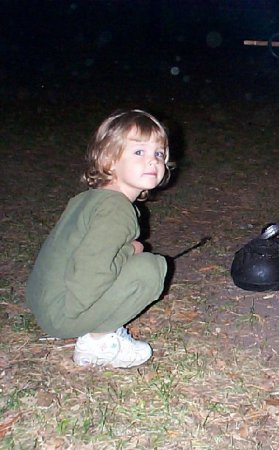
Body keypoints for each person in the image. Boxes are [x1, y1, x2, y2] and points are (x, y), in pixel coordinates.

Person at [26, 109, 172, 368]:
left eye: (158, 153)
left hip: (46, 302)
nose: (152, 161)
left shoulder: (88, 199)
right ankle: (97, 341)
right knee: (151, 268)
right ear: (109, 160)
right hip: (64, 312)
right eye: (139, 152)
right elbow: (90, 275)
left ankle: (85, 326)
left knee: (136, 257)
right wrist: (130, 252)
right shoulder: (116, 208)